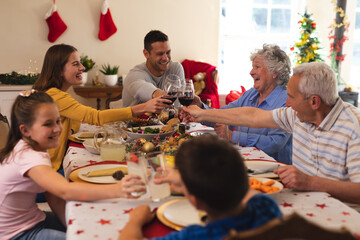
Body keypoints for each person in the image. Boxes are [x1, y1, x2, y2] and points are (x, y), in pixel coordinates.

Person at [183, 62, 360, 205]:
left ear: (314, 101)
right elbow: (252, 116)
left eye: (291, 97)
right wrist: (203, 113)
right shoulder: (297, 115)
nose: (287, 103)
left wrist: (310, 182)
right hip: (303, 203)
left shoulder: (354, 127)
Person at [0, 90, 145, 240]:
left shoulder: (34, 148)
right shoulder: (29, 156)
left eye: (57, 121)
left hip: (31, 220)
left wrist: (70, 225)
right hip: (16, 234)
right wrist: (117, 190)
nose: (57, 129)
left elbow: (53, 195)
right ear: (25, 130)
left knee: (88, 224)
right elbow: (65, 191)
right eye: (48, 124)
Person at [33, 44, 171, 172]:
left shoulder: (57, 94)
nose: (82, 67)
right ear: (59, 70)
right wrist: (143, 107)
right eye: (76, 64)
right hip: (49, 169)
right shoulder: (55, 96)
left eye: (80, 62)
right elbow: (96, 117)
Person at [118, 135, 282, 240]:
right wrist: (191, 181)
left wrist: (135, 220)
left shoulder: (196, 235)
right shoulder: (266, 207)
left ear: (196, 203)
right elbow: (245, 189)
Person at [194, 44, 292, 164]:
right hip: (245, 163)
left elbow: (275, 143)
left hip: (274, 171)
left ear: (275, 72)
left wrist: (233, 136)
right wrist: (200, 108)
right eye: (252, 67)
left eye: (257, 67)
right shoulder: (251, 94)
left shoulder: (286, 101)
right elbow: (223, 115)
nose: (251, 72)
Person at [122, 30, 185, 107]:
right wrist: (161, 94)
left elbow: (179, 105)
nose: (165, 58)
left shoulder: (175, 68)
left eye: (168, 52)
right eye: (160, 54)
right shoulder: (134, 74)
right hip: (134, 119)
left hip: (166, 118)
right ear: (146, 54)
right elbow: (142, 88)